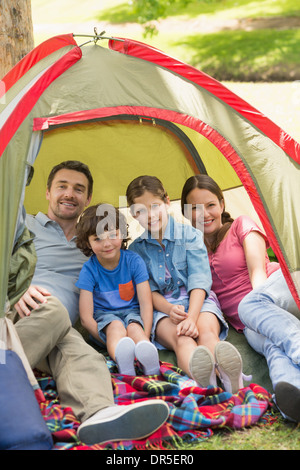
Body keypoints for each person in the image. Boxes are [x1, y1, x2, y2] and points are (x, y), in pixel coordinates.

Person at [7, 161, 169, 446]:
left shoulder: (96, 242)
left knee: (81, 354)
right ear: (47, 192)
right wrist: (19, 288)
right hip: (17, 309)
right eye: (62, 186)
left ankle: (99, 414)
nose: (70, 194)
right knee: (53, 307)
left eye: (78, 189)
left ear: (87, 199)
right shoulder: (25, 225)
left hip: (58, 328)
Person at [181, 174, 300, 422]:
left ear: (222, 205)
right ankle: (291, 398)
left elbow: (258, 273)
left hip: (277, 292)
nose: (204, 214)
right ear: (185, 213)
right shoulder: (192, 250)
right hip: (249, 324)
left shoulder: (241, 226)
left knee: (250, 304)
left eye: (210, 205)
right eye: (195, 208)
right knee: (270, 346)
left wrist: (255, 307)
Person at [126, 175, 244, 394]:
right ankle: (205, 382)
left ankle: (230, 377)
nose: (150, 215)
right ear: (134, 214)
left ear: (167, 202)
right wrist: (170, 309)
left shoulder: (190, 235)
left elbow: (200, 279)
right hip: (164, 308)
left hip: (199, 299)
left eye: (155, 207)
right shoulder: (136, 250)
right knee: (183, 338)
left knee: (206, 332)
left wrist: (192, 317)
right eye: (141, 211)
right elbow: (148, 291)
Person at [75, 203, 160, 376]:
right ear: (87, 242)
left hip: (133, 314)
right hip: (105, 320)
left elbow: (145, 304)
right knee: (115, 327)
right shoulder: (89, 270)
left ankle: (148, 358)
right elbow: (85, 318)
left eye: (112, 235)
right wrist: (105, 340)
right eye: (98, 239)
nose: (106, 243)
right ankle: (123, 361)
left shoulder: (134, 261)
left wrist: (146, 332)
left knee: (134, 327)